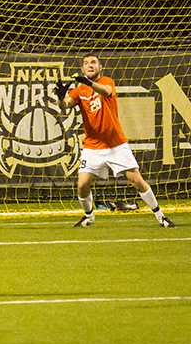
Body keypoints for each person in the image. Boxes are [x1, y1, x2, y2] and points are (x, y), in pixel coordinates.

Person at [55, 54, 174, 228]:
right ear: (82, 69)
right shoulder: (79, 90)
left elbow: (105, 91)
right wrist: (60, 97)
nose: (90, 65)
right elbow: (65, 106)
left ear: (100, 67)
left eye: (93, 62)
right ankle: (89, 216)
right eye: (86, 63)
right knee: (82, 184)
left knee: (136, 180)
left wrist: (87, 83)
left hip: (115, 144)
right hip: (92, 146)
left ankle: (160, 216)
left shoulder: (107, 81)